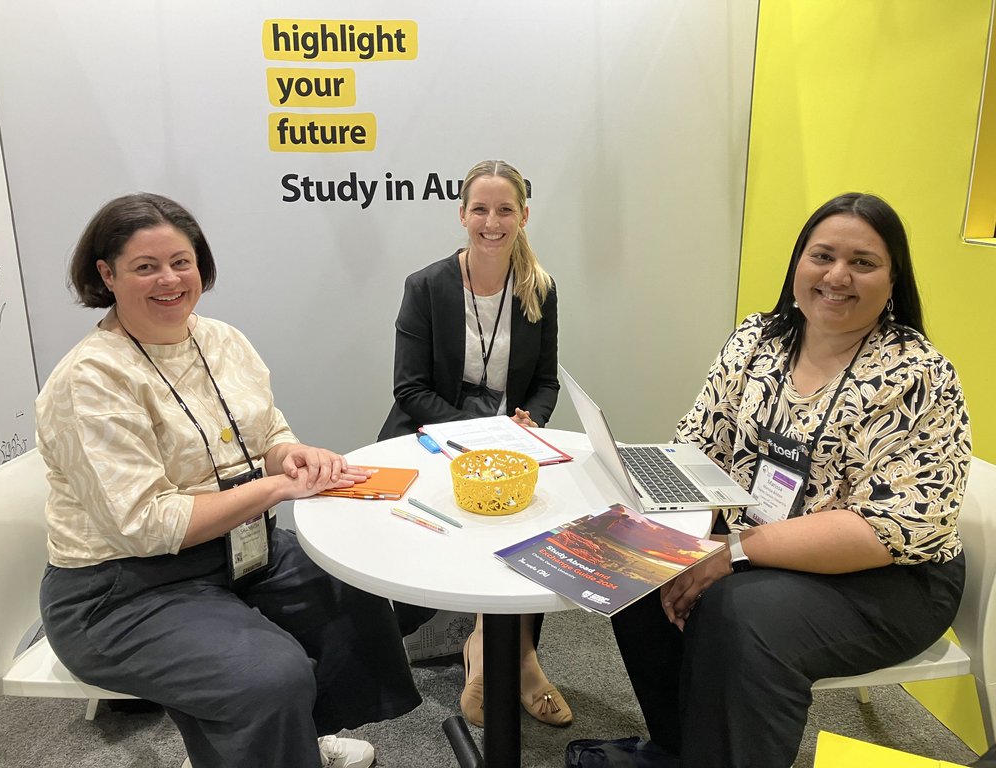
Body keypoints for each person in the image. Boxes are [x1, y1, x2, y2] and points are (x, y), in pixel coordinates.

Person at [36, 193, 422, 768]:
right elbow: (147, 526)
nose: (169, 279)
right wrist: (275, 488)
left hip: (237, 551)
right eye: (145, 266)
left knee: (352, 586)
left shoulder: (221, 340)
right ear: (107, 275)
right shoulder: (90, 380)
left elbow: (267, 432)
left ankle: (285, 745)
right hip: (121, 589)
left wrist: (290, 455)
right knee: (267, 677)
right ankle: (263, 745)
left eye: (181, 262)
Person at [607, 193, 970, 768]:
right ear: (798, 262)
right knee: (642, 568)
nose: (837, 276)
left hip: (888, 578)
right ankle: (677, 750)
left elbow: (890, 530)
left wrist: (731, 552)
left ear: (894, 279)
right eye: (822, 256)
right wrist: (676, 537)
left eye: (863, 262)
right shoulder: (757, 340)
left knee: (738, 614)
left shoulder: (917, 374)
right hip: (754, 547)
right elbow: (698, 446)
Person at [378, 159, 568, 727]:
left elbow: (546, 382)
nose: (492, 221)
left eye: (505, 209)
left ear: (523, 216)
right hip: (432, 433)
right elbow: (410, 389)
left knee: (535, 523)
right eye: (480, 209)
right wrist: (474, 436)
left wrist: (530, 421)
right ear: (462, 215)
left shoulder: (539, 288)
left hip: (508, 437)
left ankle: (516, 656)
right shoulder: (426, 286)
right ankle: (487, 651)